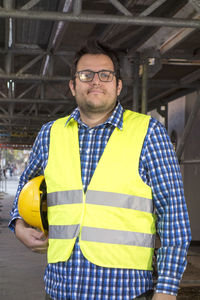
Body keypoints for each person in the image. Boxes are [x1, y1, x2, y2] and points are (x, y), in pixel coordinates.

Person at [9, 39, 191, 300]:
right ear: (73, 85)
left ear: (118, 86)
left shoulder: (149, 133)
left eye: (105, 75)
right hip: (60, 290)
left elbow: (174, 216)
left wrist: (166, 290)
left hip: (125, 292)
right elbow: (25, 186)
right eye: (86, 75)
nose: (95, 81)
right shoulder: (50, 134)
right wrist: (17, 223)